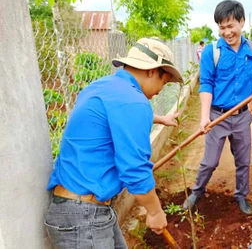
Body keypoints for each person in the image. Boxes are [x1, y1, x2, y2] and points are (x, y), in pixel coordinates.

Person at [44, 37, 183, 248]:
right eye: (164, 83)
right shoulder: (134, 101)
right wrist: (155, 212)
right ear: (152, 71)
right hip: (84, 217)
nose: (160, 91)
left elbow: (109, 117)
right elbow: (135, 170)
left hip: (80, 209)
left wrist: (157, 118)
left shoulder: (102, 87)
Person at [183, 0, 252, 215]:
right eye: (222, 27)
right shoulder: (212, 52)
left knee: (243, 161)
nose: (227, 32)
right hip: (217, 115)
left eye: (231, 26)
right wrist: (204, 117)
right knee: (210, 162)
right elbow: (206, 84)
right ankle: (197, 191)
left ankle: (241, 196)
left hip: (242, 117)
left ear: (242, 22)